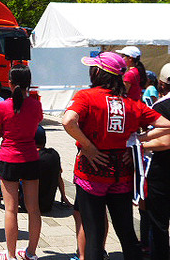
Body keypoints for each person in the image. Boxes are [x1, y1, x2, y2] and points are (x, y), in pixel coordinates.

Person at [62, 51, 170, 260]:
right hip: (121, 173)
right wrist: (137, 139)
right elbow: (166, 125)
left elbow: (68, 121)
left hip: (91, 172)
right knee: (127, 233)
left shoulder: (87, 96)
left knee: (94, 236)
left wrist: (88, 145)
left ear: (98, 72)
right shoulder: (131, 103)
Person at [0, 64, 42, 260]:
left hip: (9, 158)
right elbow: (35, 126)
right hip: (30, 157)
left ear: (10, 83)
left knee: (10, 209)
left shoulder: (2, 106)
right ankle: (31, 252)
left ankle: (11, 255)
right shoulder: (36, 105)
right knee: (34, 209)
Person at [139, 62, 170, 259]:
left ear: (161, 84)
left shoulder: (160, 107)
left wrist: (137, 144)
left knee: (159, 222)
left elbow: (163, 141)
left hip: (161, 171)